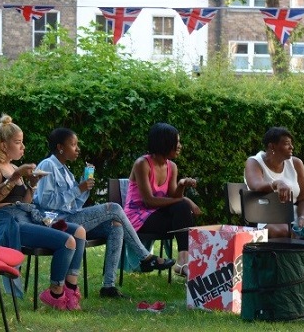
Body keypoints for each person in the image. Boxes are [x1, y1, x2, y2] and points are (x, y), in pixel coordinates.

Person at [33, 128, 176, 298]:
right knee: (114, 208)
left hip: (71, 219)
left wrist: (84, 188)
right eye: (73, 145)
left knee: (116, 226)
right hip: (57, 222)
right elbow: (45, 202)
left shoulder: (66, 171)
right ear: (60, 147)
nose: (77, 149)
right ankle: (145, 257)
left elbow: (74, 204)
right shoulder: (48, 165)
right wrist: (78, 189)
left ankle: (108, 286)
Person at [0, 114, 86, 311]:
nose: (22, 147)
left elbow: (25, 202)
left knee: (78, 232)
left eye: (22, 142)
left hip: (26, 217)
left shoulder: (12, 166)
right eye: (18, 142)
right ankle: (56, 293)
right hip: (10, 225)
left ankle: (70, 290)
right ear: (2, 145)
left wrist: (32, 186)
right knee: (67, 241)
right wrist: (17, 176)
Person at [244, 126, 304, 284]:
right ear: (272, 146)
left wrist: (302, 217)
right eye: (287, 143)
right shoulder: (254, 162)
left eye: (291, 143)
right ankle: (282, 276)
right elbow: (256, 185)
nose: (292, 147)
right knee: (281, 229)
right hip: (264, 211)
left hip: (292, 211)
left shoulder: (296, 163)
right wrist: (276, 183)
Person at [124, 123, 201, 277]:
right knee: (182, 206)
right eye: (176, 142)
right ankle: (184, 263)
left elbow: (174, 197)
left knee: (182, 210)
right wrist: (185, 200)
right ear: (164, 143)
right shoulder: (142, 164)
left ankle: (183, 261)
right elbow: (148, 201)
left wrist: (181, 185)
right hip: (137, 219)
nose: (179, 146)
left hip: (156, 215)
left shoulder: (171, 166)